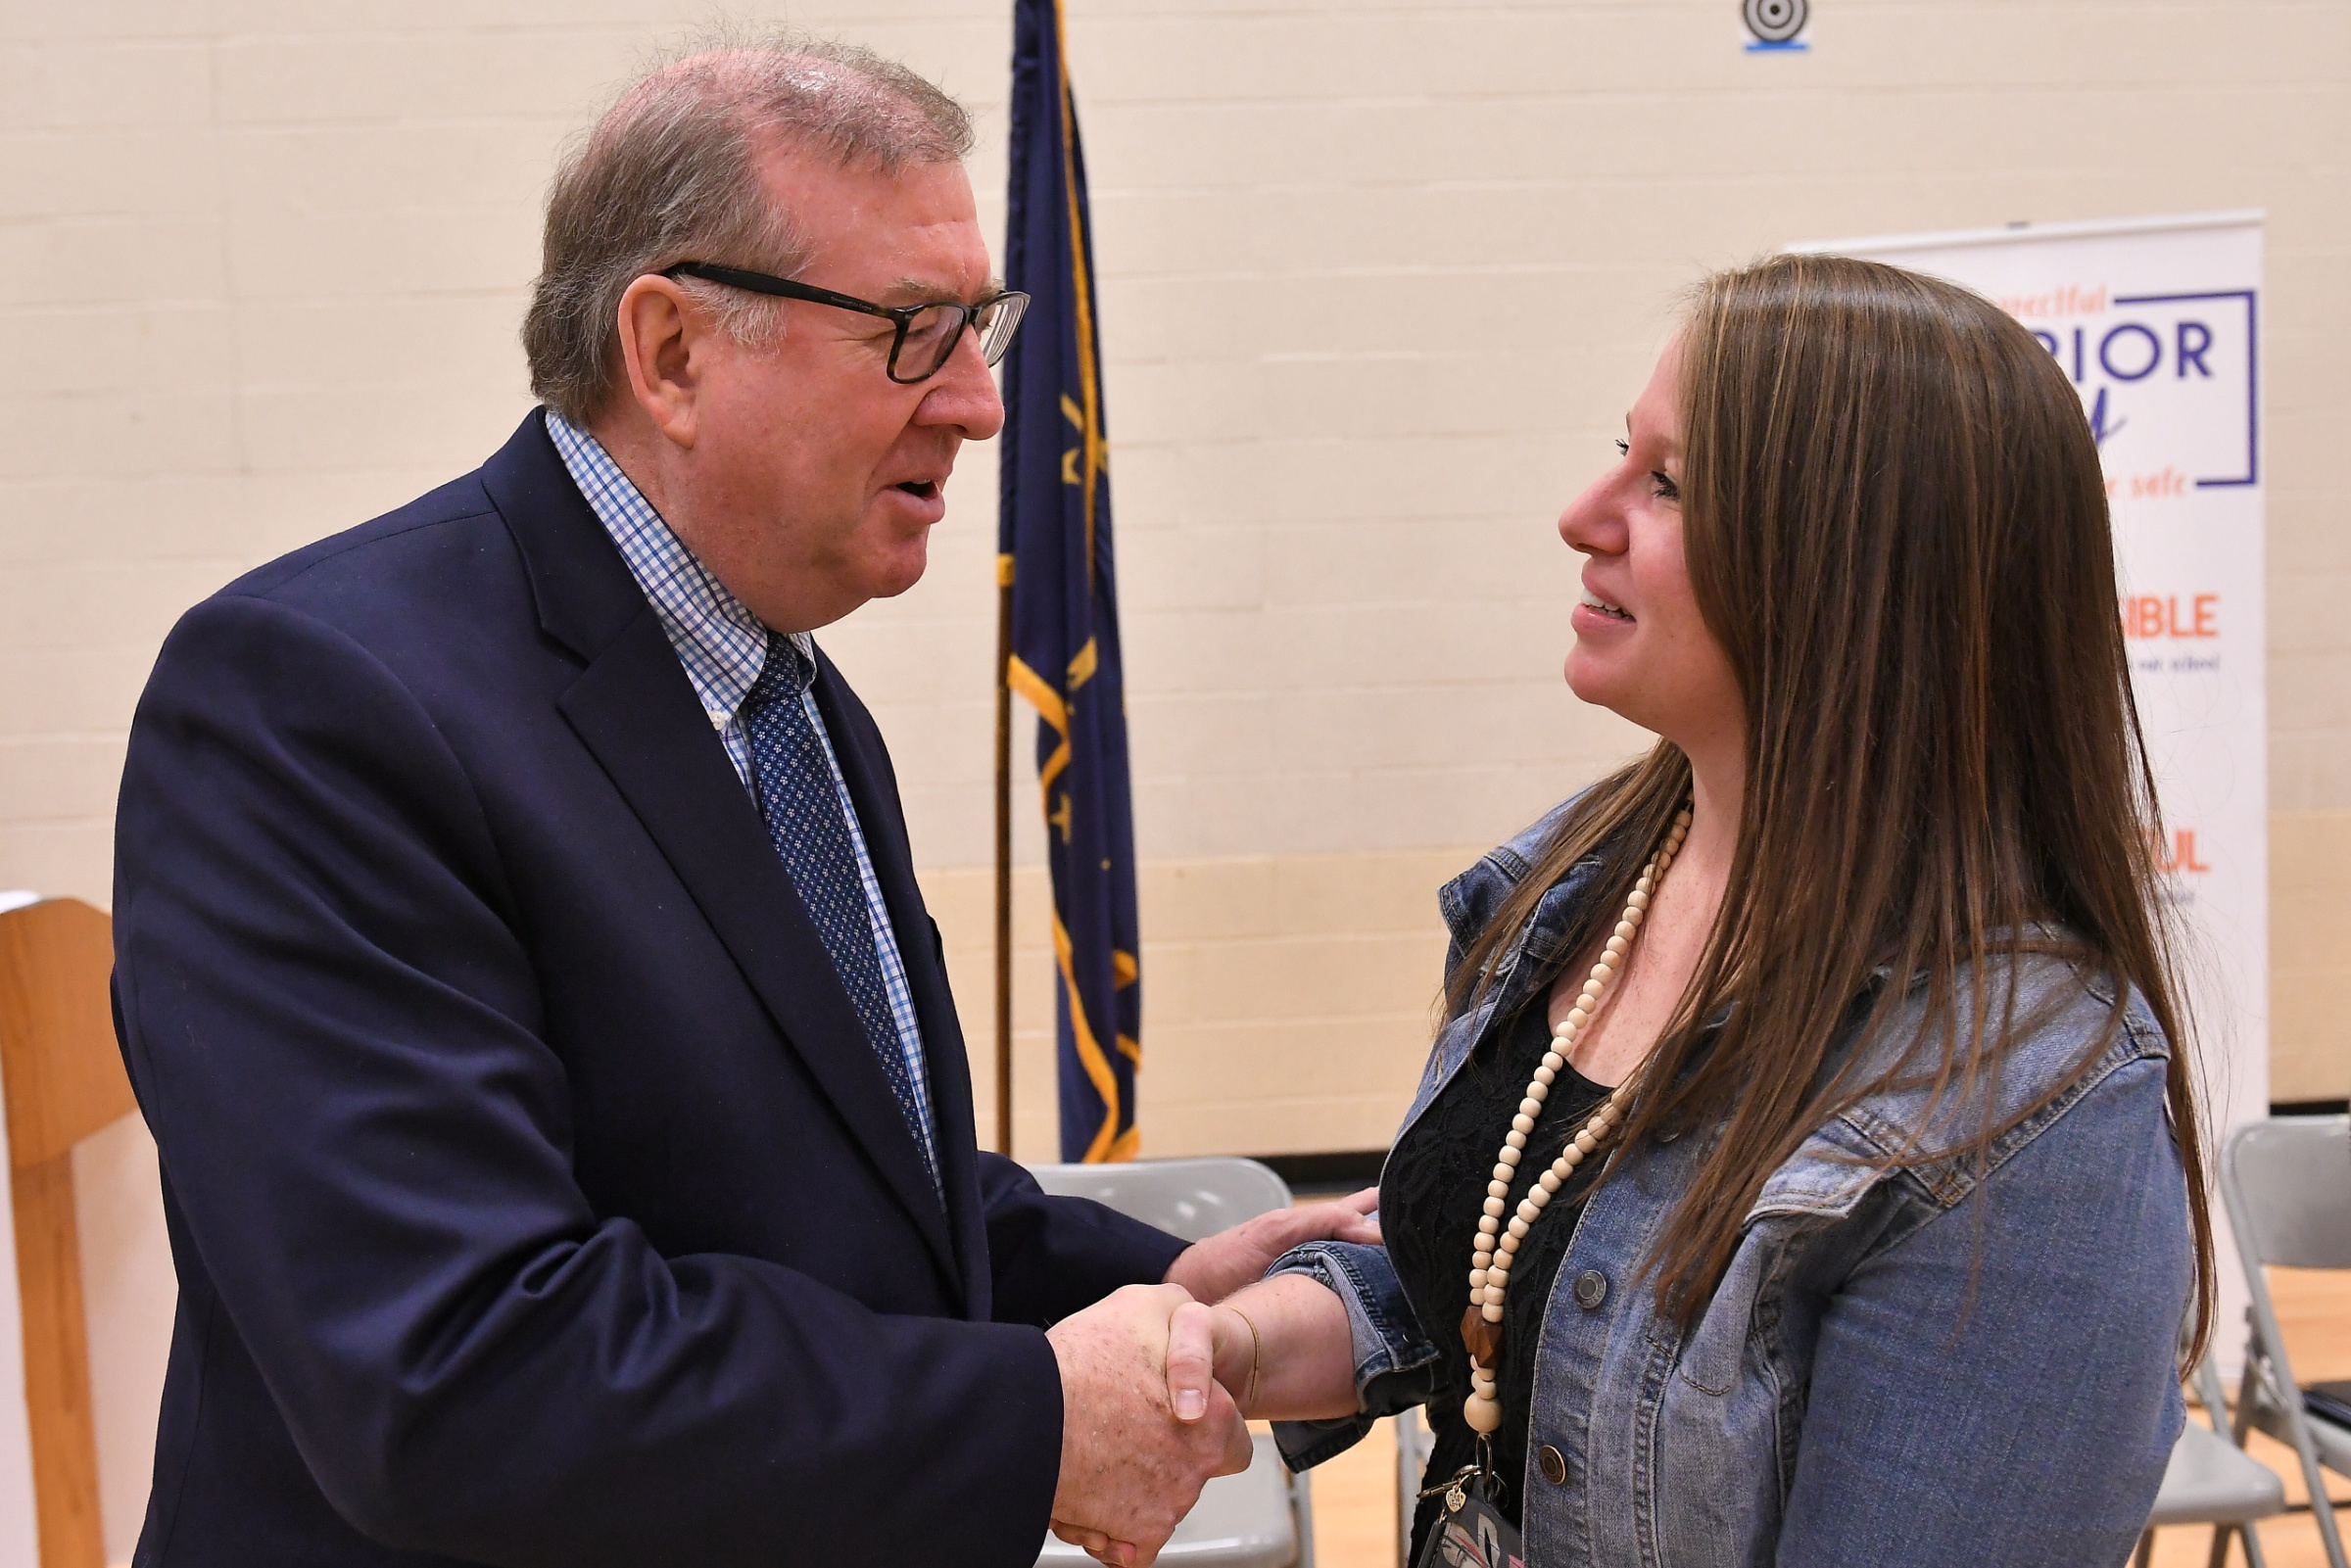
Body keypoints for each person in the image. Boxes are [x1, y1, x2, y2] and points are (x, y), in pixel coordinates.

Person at [110, 36, 1372, 1568]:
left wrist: (1175, 1291)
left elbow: (817, 1178)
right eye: (914, 332)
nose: (979, 403)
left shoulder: (782, 691)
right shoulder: (313, 701)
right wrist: (1033, 1412)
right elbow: (457, 1373)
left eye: (979, 326)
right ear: (673, 352)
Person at [1158, 254, 2210, 1567]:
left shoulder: (2036, 1107)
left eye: (1668, 485)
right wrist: (1245, 1343)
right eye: (1623, 454)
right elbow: (1497, 1272)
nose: (1583, 514)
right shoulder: (1578, 873)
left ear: (1850, 573)